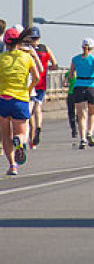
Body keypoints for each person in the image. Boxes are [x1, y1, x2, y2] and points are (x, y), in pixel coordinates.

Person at [0, 28, 40, 175]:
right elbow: (36, 77)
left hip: (3, 99)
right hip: (20, 99)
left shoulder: (1, 58)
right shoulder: (26, 58)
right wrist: (29, 90)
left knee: (5, 135)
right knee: (21, 133)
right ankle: (19, 141)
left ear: (5, 41)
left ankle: (12, 166)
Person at [68, 38, 94, 149]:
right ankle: (90, 132)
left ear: (82, 47)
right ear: (92, 48)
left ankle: (82, 139)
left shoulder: (75, 59)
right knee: (93, 113)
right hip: (92, 86)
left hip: (78, 86)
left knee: (81, 115)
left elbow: (70, 74)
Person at [27, 26, 58, 149]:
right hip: (42, 82)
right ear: (39, 37)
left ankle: (32, 136)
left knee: (30, 111)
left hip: (30, 82)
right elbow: (55, 65)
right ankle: (39, 127)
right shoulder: (46, 49)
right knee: (38, 106)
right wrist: (46, 69)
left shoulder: (27, 50)